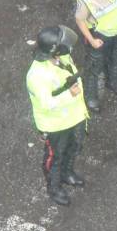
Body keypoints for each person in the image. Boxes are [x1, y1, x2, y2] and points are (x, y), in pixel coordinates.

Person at [26, 26, 88, 206]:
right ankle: (54, 187)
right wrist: (71, 94)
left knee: (75, 146)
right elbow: (46, 104)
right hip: (56, 125)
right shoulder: (36, 76)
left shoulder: (62, 57)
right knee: (55, 156)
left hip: (75, 116)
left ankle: (67, 173)